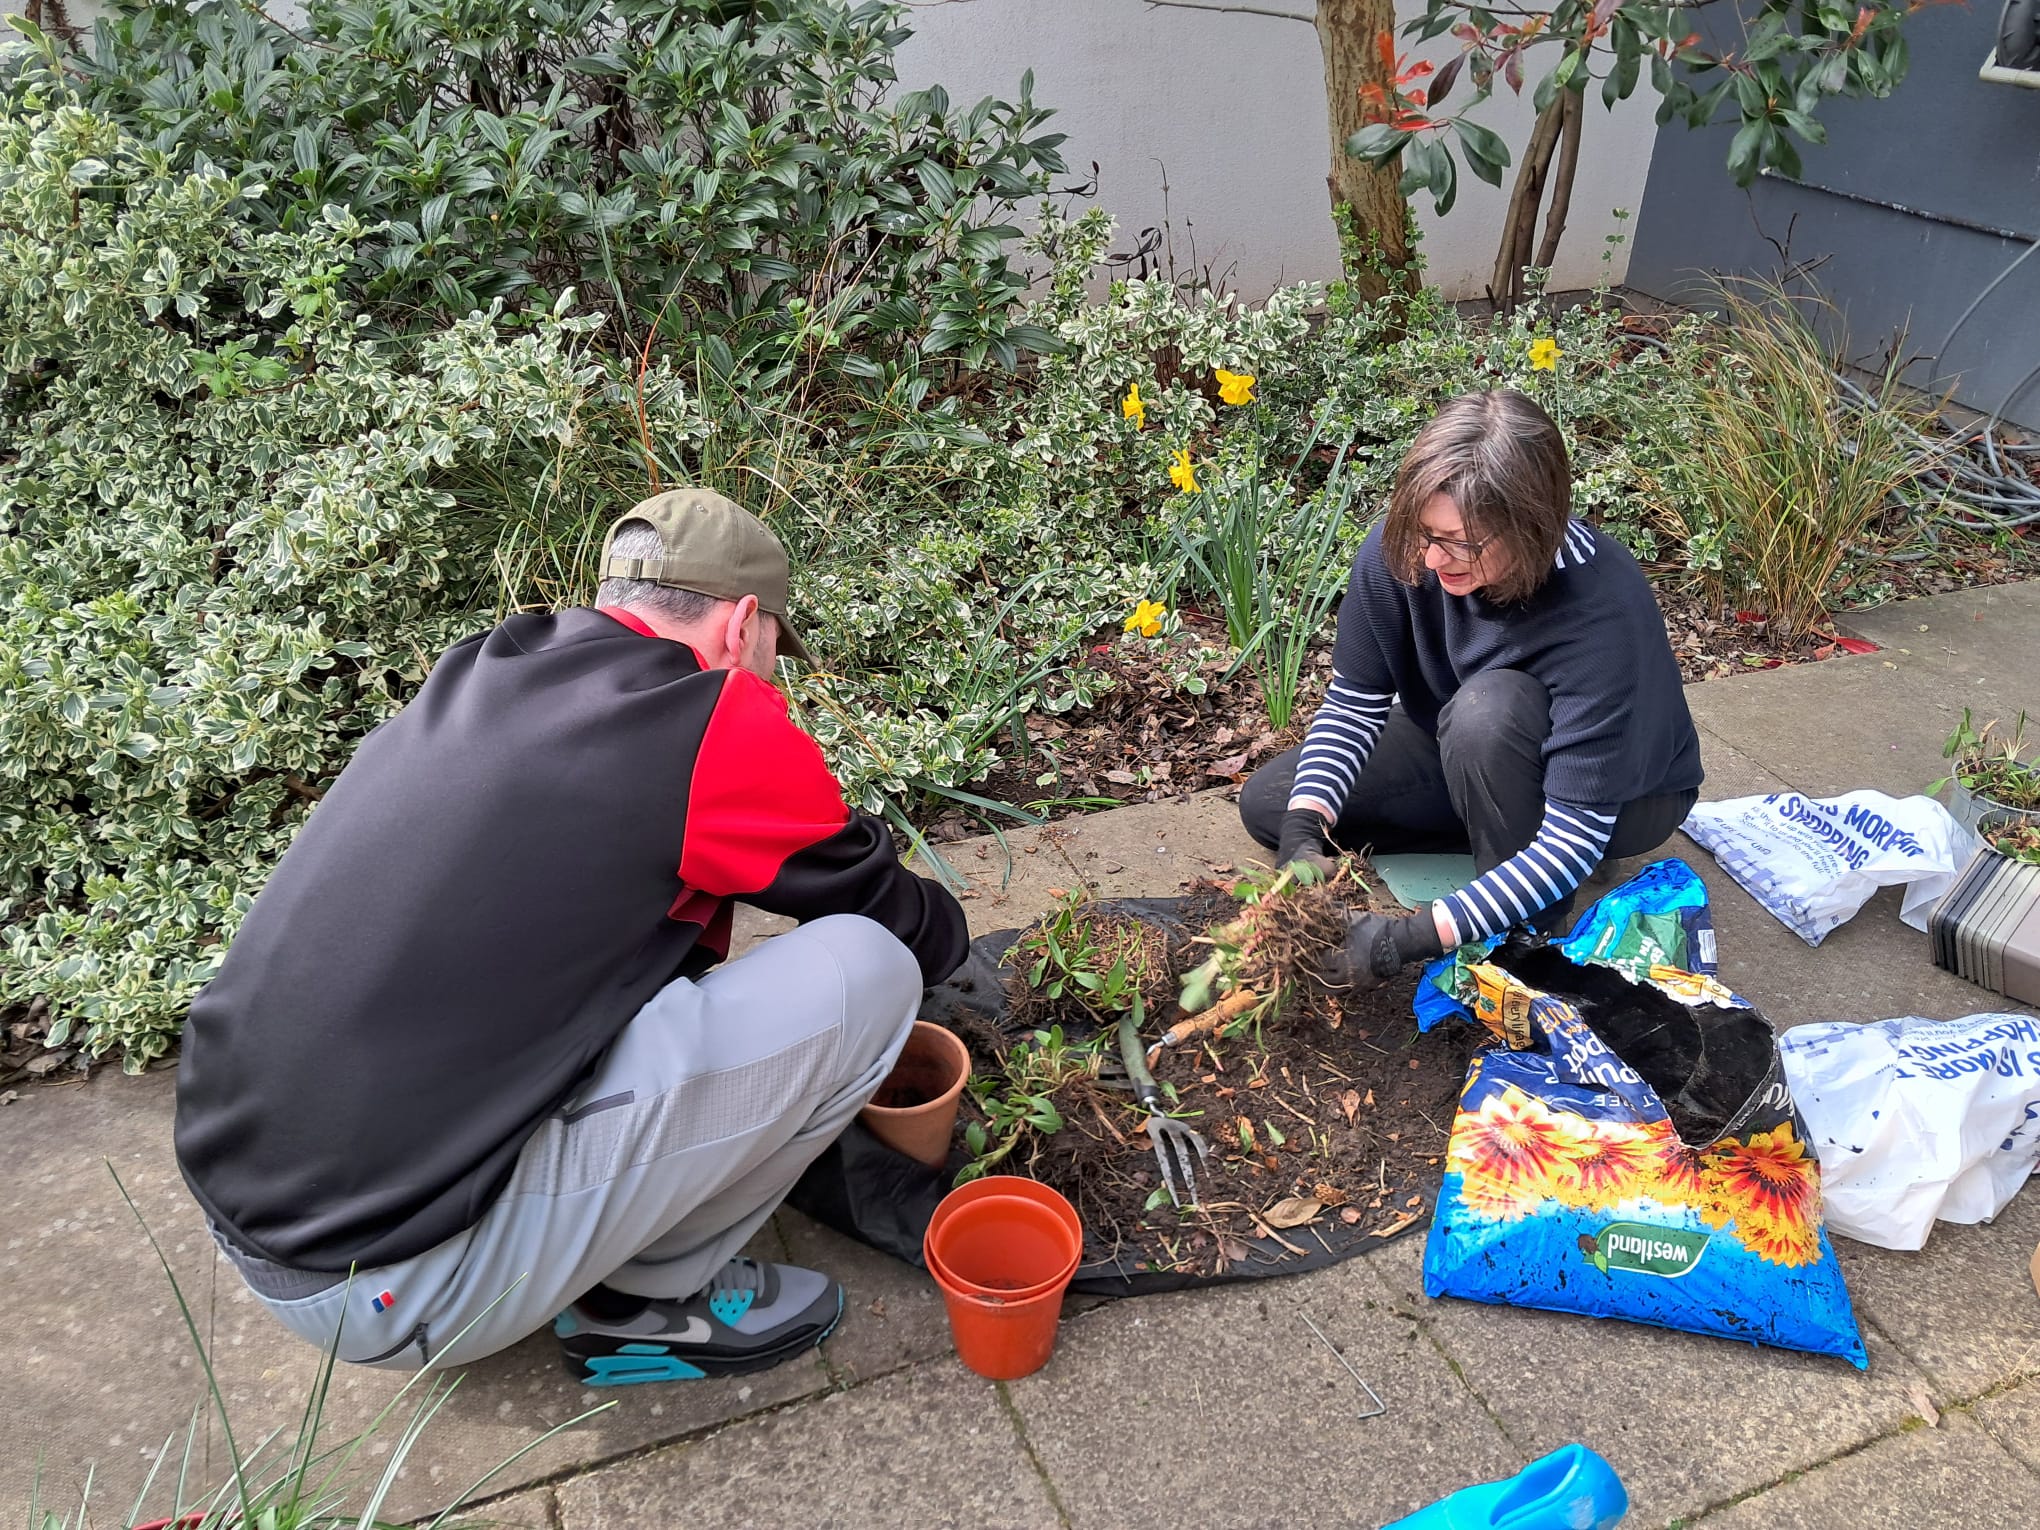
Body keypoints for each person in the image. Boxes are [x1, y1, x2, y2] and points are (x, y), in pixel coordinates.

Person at [174, 489, 968, 1387]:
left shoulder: (485, 668)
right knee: (868, 972)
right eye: (777, 650)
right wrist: (960, 948)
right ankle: (641, 1309)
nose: (774, 674)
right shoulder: (707, 720)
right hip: (390, 1282)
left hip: (251, 1193)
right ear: (742, 624)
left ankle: (580, 1249)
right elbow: (886, 913)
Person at [1239, 389, 1702, 989]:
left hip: (1621, 799)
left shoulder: (1601, 614)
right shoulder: (1403, 552)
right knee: (1275, 804)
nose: (1432, 558)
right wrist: (1306, 829)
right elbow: (1354, 704)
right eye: (1424, 531)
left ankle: (1524, 923)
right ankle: (1498, 845)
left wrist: (1407, 939)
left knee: (1489, 711)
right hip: (1467, 740)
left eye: (1460, 541)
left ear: (1533, 523)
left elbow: (1574, 838)